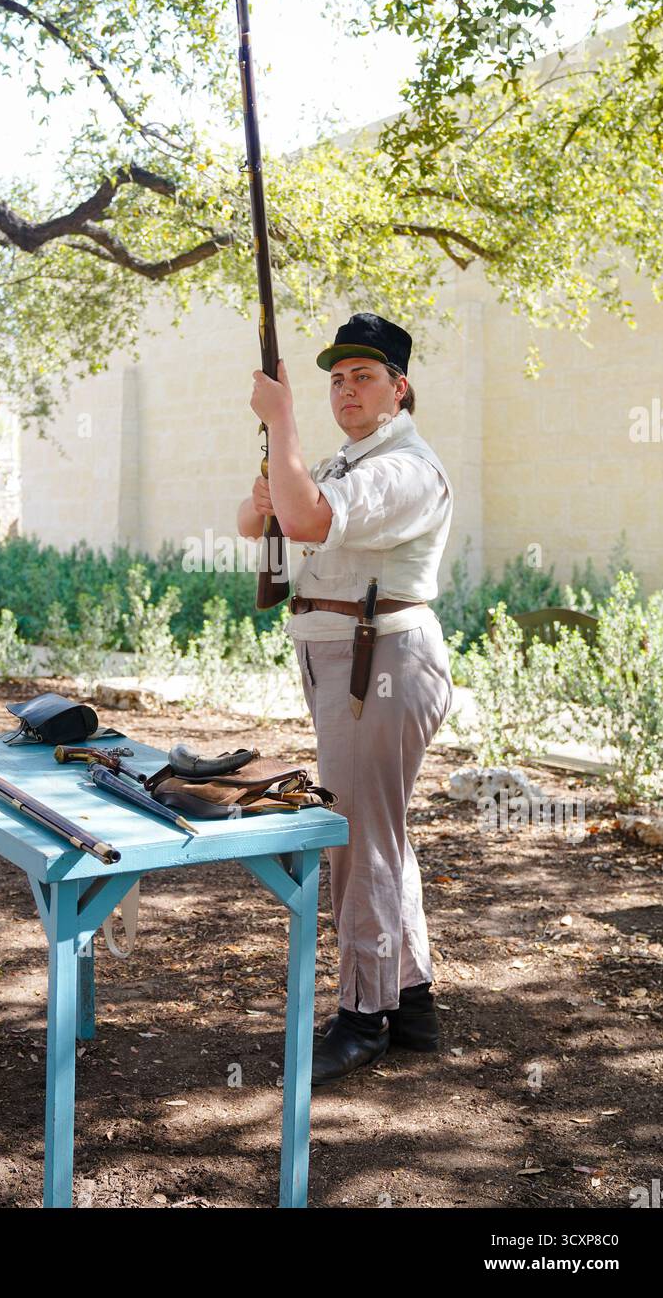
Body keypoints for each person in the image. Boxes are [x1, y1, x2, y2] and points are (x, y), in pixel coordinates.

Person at [236, 312, 454, 1086]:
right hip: (348, 661)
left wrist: (282, 419)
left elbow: (304, 518)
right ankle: (414, 1000)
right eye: (335, 378)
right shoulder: (349, 459)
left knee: (356, 840)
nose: (345, 389)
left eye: (364, 376)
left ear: (400, 388)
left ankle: (364, 1017)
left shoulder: (405, 469)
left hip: (381, 663)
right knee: (377, 835)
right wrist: (275, 464)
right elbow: (258, 521)